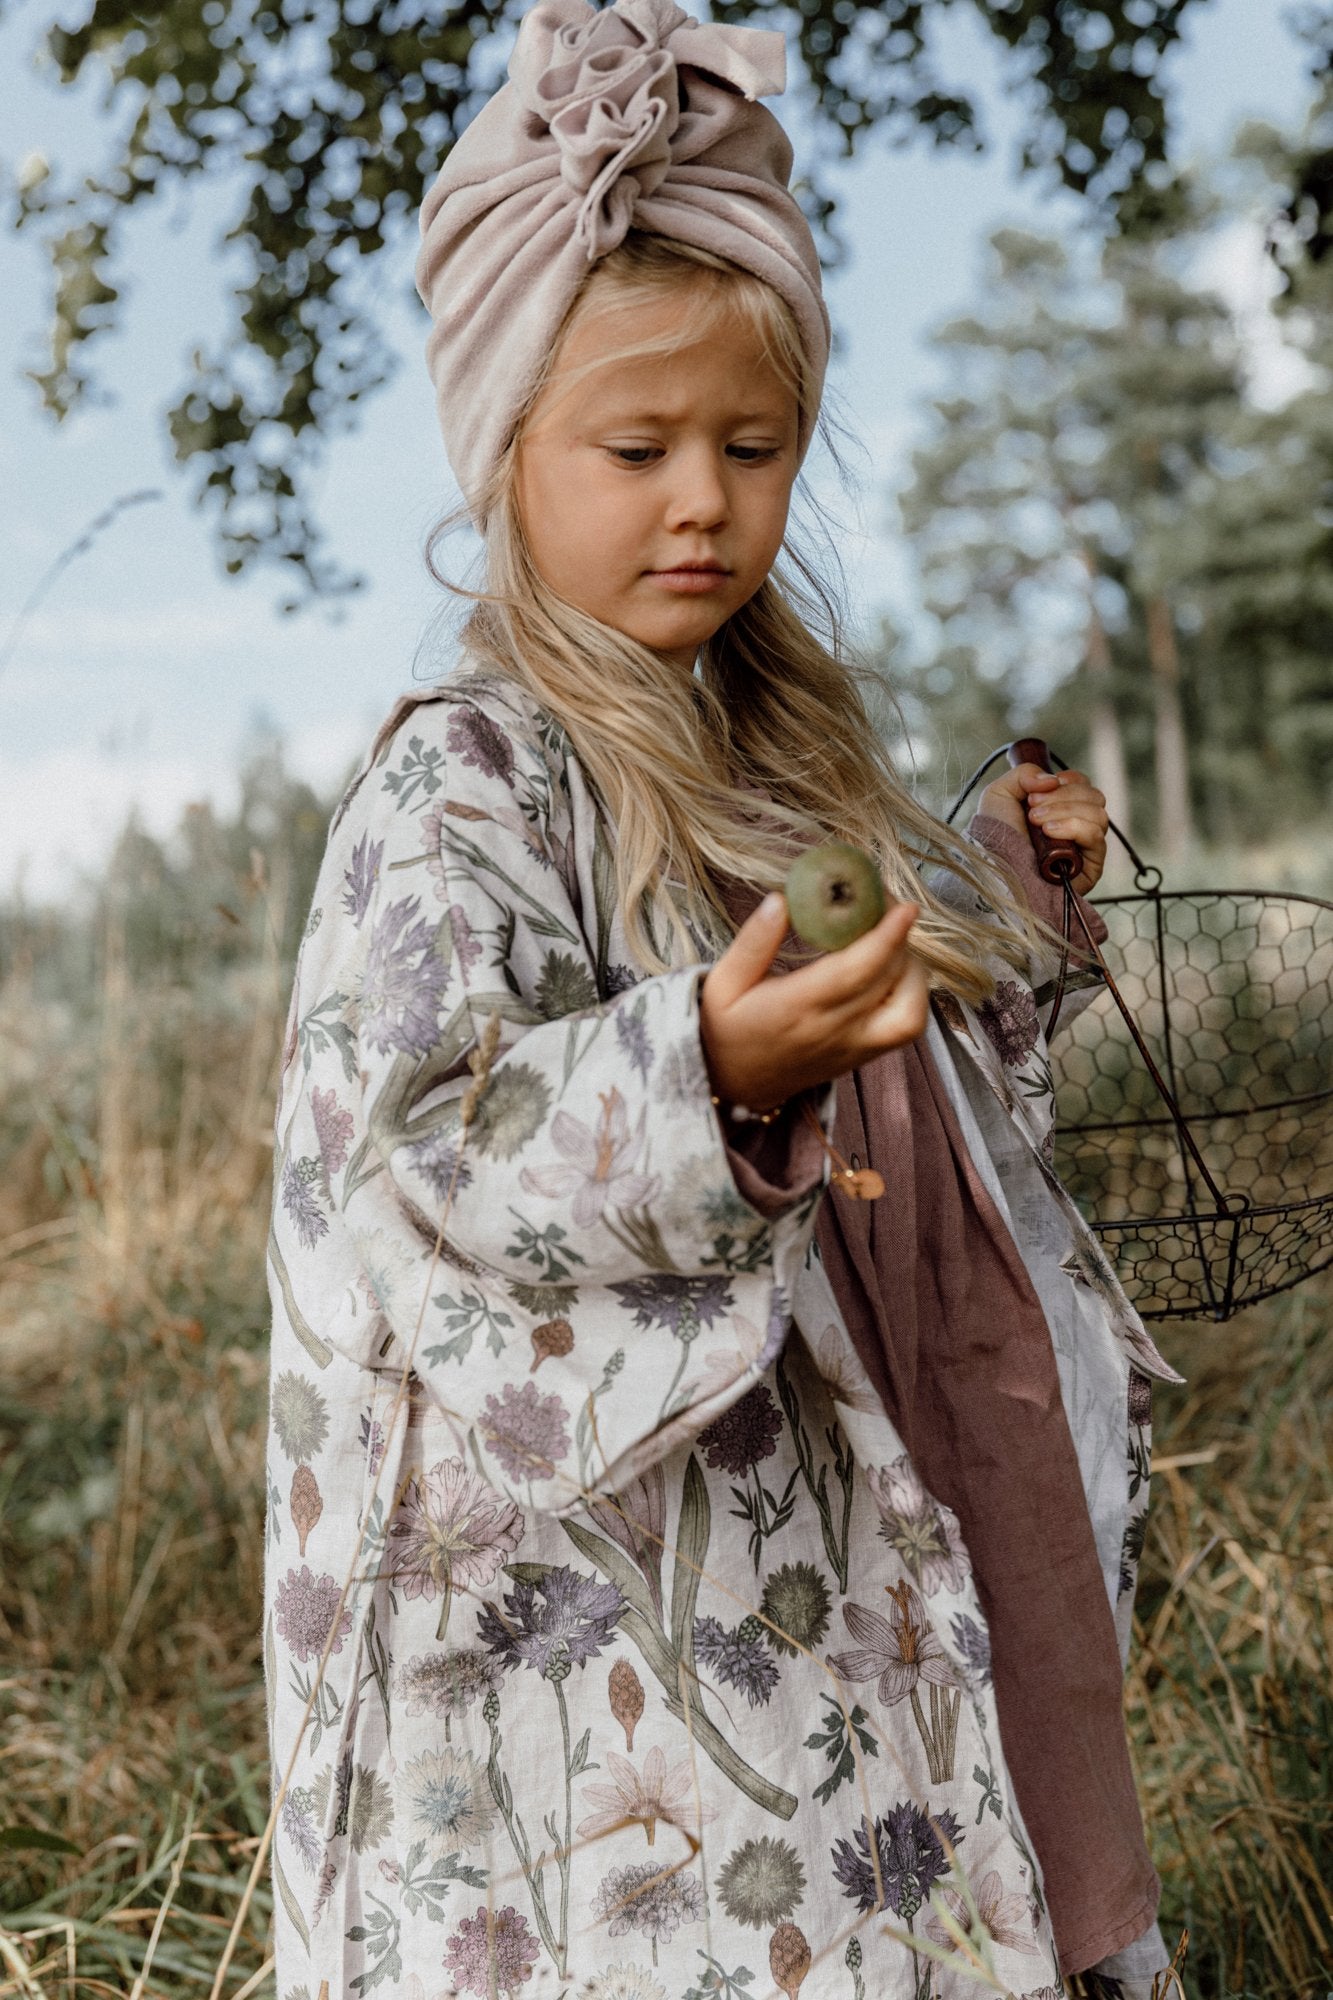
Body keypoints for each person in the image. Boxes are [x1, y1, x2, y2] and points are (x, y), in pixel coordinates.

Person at [263, 2, 1181, 1993]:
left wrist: (989, 890)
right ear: (503, 447)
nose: (702, 499)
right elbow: (431, 1144)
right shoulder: (472, 780)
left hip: (869, 1502)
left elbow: (901, 1082)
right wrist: (699, 1076)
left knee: (931, 1857)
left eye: (750, 447)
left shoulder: (770, 746)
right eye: (637, 446)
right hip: (648, 1592)